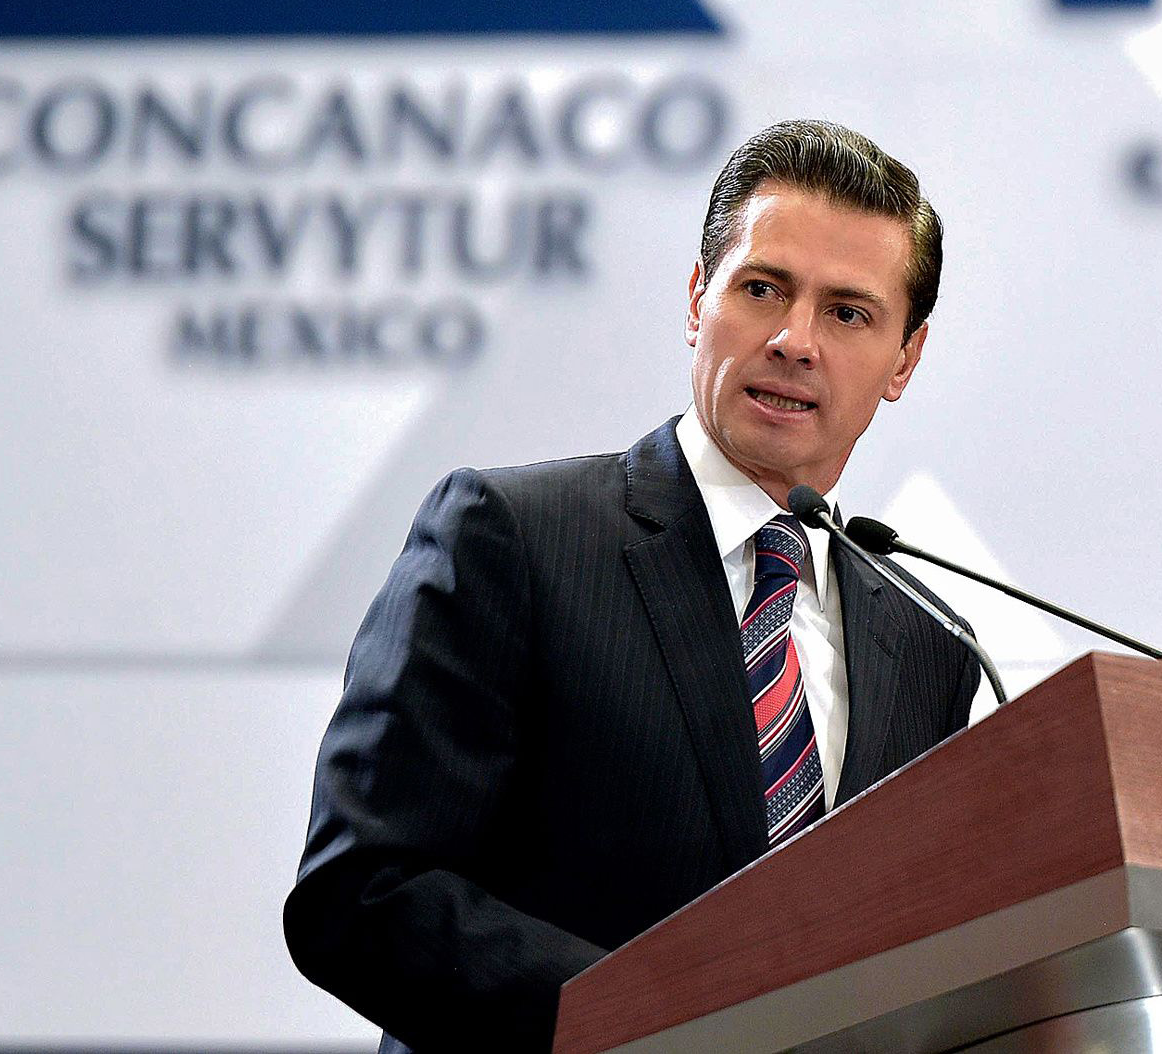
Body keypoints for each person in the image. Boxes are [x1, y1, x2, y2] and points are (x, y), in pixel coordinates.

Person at [284, 119, 981, 1053]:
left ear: (905, 361)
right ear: (698, 300)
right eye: (762, 289)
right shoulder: (516, 538)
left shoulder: (928, 642)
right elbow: (362, 889)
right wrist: (660, 1021)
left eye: (848, 313)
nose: (792, 340)